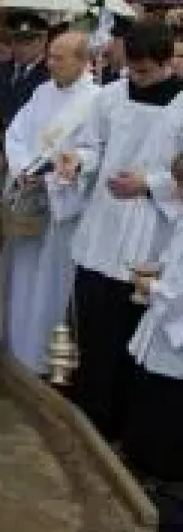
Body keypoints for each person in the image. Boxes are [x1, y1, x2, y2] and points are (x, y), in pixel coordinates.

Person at [58, 21, 183, 444]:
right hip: (104, 225)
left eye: (145, 71)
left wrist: (150, 184)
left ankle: (121, 428)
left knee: (128, 333)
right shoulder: (110, 97)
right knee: (93, 325)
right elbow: (93, 145)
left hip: (151, 230)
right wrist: (79, 161)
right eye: (131, 69)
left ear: (167, 62)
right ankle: (87, 414)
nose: (136, 78)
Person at [2, 32, 100, 374]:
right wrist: (22, 169)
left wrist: (64, 170)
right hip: (29, 198)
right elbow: (16, 134)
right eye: (50, 56)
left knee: (49, 284)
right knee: (21, 277)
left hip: (61, 206)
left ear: (82, 61)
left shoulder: (95, 101)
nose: (50, 63)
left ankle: (40, 359)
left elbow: (94, 152)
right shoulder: (42, 92)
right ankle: (14, 348)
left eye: (59, 58)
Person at [123, 151, 183, 483]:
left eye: (180, 185)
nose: (175, 192)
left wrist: (151, 286)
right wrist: (156, 269)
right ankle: (140, 460)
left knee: (166, 407)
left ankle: (160, 474)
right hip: (164, 325)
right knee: (148, 395)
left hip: (176, 336)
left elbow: (178, 293)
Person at [0, 11, 51, 159]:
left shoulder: (50, 76)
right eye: (16, 41)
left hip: (31, 152)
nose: (21, 48)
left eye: (28, 42)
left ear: (43, 40)